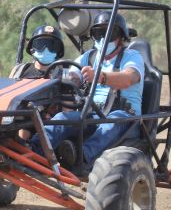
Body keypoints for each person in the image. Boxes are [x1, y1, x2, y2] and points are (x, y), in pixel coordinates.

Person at [33, 11, 144, 174]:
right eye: (98, 33)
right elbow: (72, 76)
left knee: (110, 123)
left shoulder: (132, 56)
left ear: (121, 36)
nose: (102, 39)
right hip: (91, 115)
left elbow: (129, 78)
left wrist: (101, 77)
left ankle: (80, 156)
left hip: (125, 118)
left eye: (109, 33)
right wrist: (72, 80)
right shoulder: (89, 57)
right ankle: (33, 152)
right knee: (63, 119)